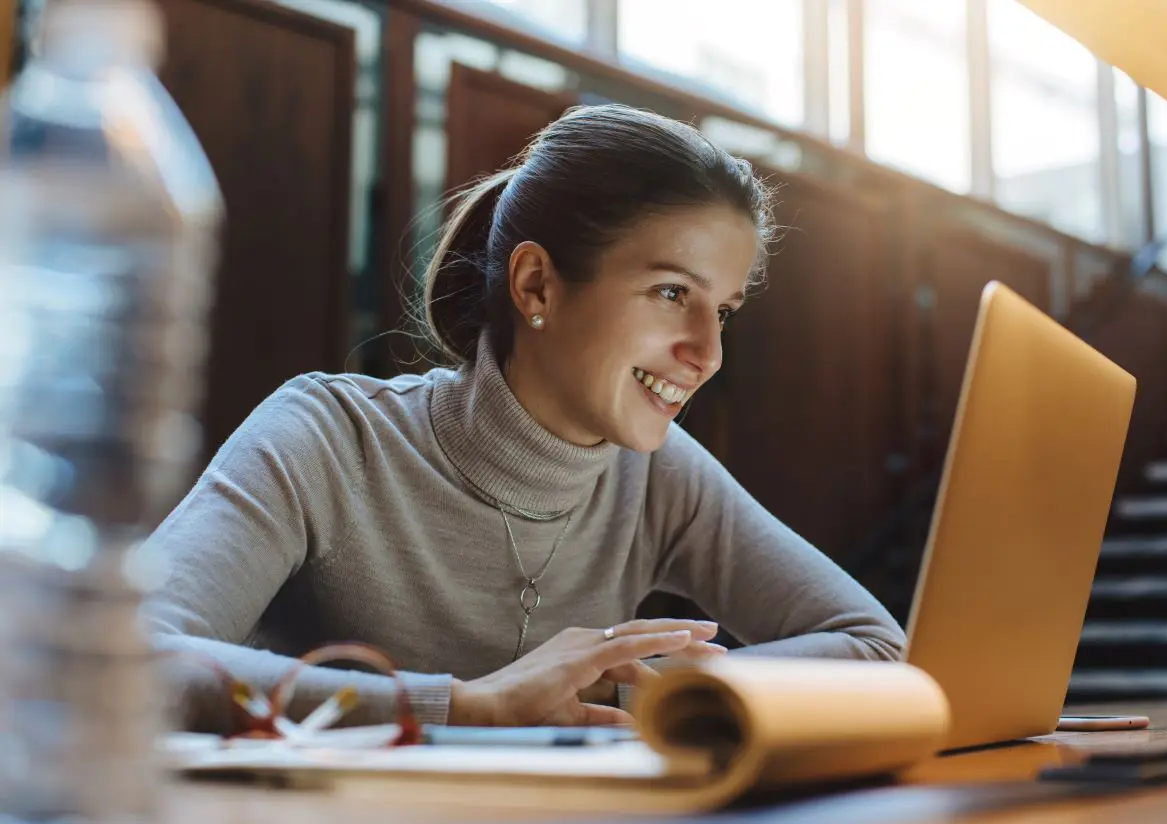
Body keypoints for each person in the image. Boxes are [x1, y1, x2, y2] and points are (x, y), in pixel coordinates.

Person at [146, 103, 905, 733]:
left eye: (724, 311)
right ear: (538, 285)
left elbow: (876, 648)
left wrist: (650, 684)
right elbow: (131, 658)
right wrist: (468, 706)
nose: (706, 353)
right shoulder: (325, 437)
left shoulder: (658, 474)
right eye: (672, 293)